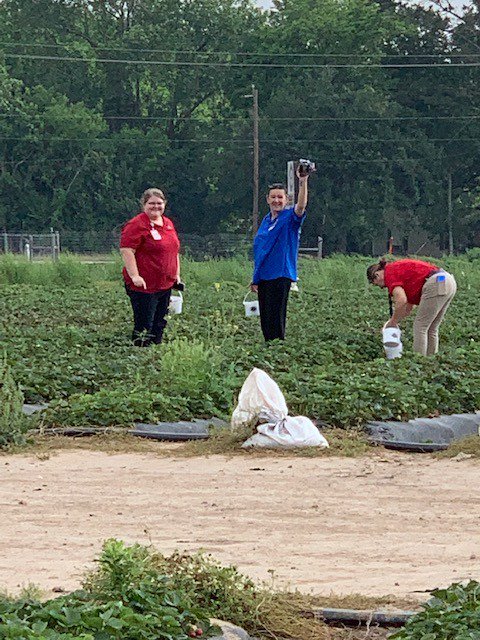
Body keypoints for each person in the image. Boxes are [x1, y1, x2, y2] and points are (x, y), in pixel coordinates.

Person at [251, 169, 309, 341]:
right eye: (273, 197)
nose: (276, 200)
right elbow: (260, 251)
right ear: (268, 199)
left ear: (286, 200)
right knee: (266, 319)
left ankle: (278, 349)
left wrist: (303, 181)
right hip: (264, 276)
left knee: (276, 317)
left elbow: (301, 207)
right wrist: (255, 278)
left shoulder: (289, 218)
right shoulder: (266, 221)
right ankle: (268, 348)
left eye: (280, 197)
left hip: (280, 274)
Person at [120, 187, 181, 346]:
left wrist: (176, 274)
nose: (156, 207)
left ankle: (155, 354)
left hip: (165, 283)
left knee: (160, 323)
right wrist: (135, 276)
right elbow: (127, 250)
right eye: (151, 203)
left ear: (165, 204)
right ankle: (140, 354)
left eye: (159, 203)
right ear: (144, 205)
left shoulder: (167, 223)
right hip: (145, 285)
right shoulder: (136, 224)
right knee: (144, 325)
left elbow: (173, 250)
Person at [367, 257, 457, 356]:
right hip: (447, 280)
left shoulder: (390, 274)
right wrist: (394, 322)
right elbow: (408, 307)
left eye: (375, 283)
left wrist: (393, 322)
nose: (381, 287)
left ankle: (419, 360)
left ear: (377, 275)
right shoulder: (397, 270)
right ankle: (431, 359)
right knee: (431, 328)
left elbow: (401, 300)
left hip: (436, 282)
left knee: (420, 326)